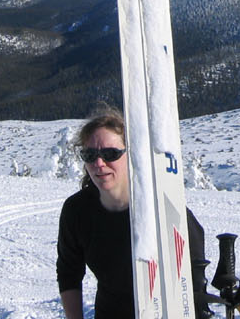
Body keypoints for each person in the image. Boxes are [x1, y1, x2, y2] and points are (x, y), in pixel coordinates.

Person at [57, 106, 211, 319]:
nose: (99, 163)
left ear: (132, 155)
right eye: (90, 155)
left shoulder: (165, 211)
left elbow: (192, 288)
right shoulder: (77, 211)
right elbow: (68, 273)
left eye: (110, 154)